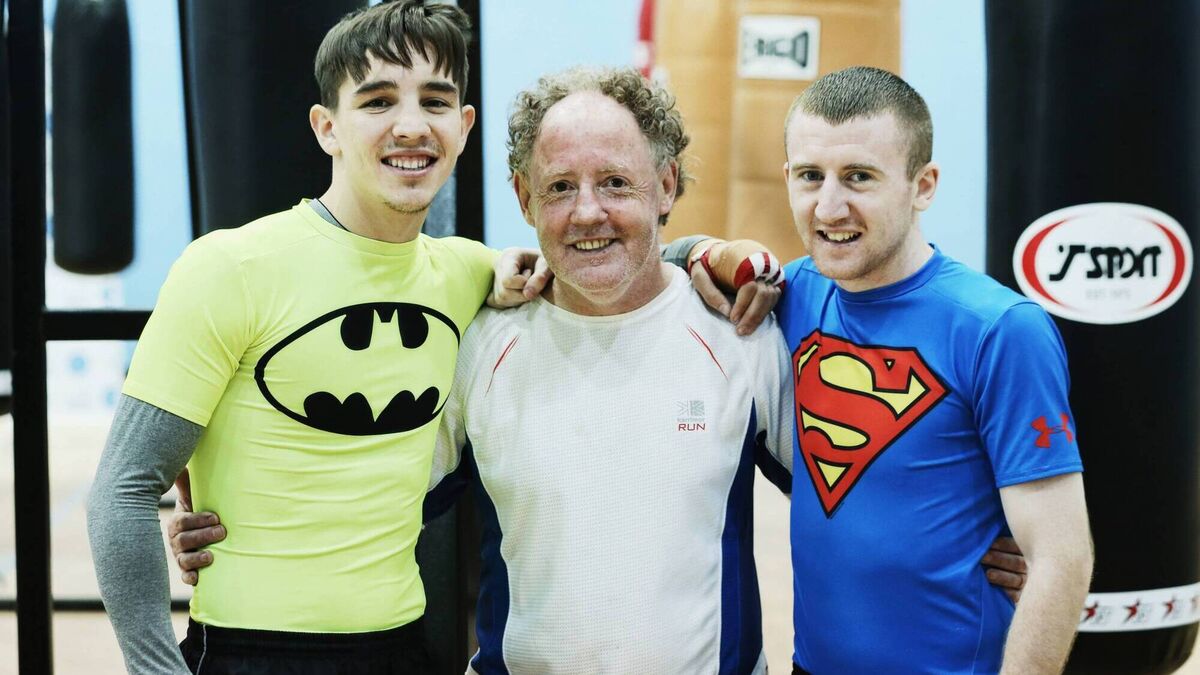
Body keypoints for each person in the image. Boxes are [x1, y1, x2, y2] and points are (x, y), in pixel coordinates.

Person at [170, 63, 1031, 674]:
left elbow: (863, 485)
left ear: (667, 186)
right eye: (559, 188)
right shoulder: (477, 345)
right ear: (523, 198)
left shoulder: (741, 334)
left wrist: (977, 536)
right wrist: (226, 518)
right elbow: (366, 489)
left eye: (617, 183)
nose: (588, 213)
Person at [87, 3, 504, 673]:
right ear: (326, 127)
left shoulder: (468, 272)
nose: (410, 125)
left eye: (435, 101)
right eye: (377, 101)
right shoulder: (231, 266)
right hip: (252, 652)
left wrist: (689, 254)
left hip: (401, 649)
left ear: (464, 126)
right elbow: (124, 489)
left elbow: (599, 261)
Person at [771, 66, 1092, 674]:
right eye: (811, 176)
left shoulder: (999, 329)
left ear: (923, 186)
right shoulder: (790, 294)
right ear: (788, 178)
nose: (829, 206)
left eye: (859, 176)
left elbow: (1061, 556)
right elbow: (675, 270)